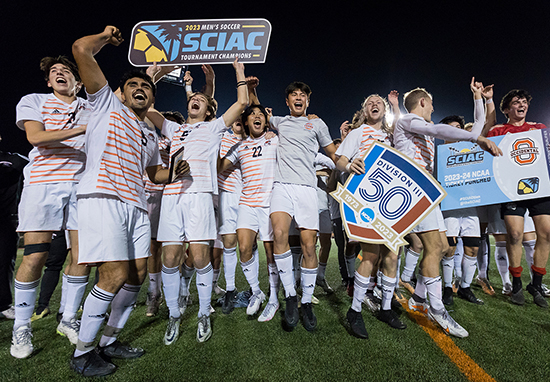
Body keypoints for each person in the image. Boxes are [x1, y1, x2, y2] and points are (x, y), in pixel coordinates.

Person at [69, 26, 188, 377]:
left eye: (147, 87)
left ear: (152, 99)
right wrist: (106, 35)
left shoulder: (149, 133)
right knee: (114, 274)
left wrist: (175, 172)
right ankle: (82, 352)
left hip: (135, 203)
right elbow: (80, 49)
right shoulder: (105, 103)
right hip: (103, 196)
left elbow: (153, 174)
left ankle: (109, 340)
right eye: (134, 85)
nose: (141, 89)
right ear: (120, 93)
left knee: (136, 275)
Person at [146, 58, 248, 345]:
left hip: (201, 196)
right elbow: (148, 108)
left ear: (208, 108)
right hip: (171, 198)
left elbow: (240, 104)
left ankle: (204, 312)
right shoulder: (172, 129)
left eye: (203, 100)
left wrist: (238, 71)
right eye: (195, 98)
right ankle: (174, 315)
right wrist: (153, 76)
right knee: (169, 259)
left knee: (201, 257)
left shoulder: (214, 128)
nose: (197, 101)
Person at [394, 78, 501, 338]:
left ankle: (419, 299)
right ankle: (437, 309)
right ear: (422, 102)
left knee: (443, 248)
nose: (432, 109)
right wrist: (478, 138)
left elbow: (473, 130)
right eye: (431, 104)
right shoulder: (406, 120)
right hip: (414, 190)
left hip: (427, 192)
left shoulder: (424, 126)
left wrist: (477, 97)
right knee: (433, 249)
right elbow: (450, 132)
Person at [11, 55, 92, 359]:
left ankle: (68, 320)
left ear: (78, 81)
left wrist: (155, 74)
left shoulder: (90, 106)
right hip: (44, 184)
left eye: (66, 71)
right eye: (54, 72)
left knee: (83, 256)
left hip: (82, 186)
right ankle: (21, 327)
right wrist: (81, 130)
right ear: (48, 82)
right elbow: (36, 137)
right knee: (35, 256)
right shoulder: (34, 100)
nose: (59, 74)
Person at [336, 92, 406, 338]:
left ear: (384, 110)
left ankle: (386, 308)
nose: (374, 105)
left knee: (391, 256)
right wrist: (348, 165)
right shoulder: (358, 133)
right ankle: (354, 310)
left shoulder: (390, 137)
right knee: (371, 255)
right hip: (366, 201)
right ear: (364, 111)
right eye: (369, 103)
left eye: (379, 102)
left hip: (390, 205)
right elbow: (340, 160)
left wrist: (397, 106)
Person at [269, 81, 336, 331]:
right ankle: (290, 296)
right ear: (287, 101)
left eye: (303, 95)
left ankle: (306, 302)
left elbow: (332, 153)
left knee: (309, 246)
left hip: (307, 189)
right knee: (279, 234)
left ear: (308, 101)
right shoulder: (279, 121)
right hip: (282, 185)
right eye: (293, 95)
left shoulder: (317, 124)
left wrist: (348, 164)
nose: (298, 98)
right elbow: (253, 112)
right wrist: (249, 85)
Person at [486, 89, 549, 308]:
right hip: (512, 189)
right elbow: (484, 147)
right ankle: (516, 283)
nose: (521, 105)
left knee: (547, 233)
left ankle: (537, 284)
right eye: (515, 102)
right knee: (514, 235)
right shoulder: (499, 130)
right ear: (506, 109)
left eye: (524, 102)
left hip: (539, 188)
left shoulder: (539, 129)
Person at [220, 104, 280, 321]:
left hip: (270, 202)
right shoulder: (240, 146)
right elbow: (219, 166)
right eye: (252, 115)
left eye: (261, 115)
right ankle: (257, 292)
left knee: (271, 253)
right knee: (244, 248)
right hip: (247, 202)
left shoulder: (274, 139)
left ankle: (274, 298)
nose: (257, 117)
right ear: (245, 122)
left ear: (265, 121)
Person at [0, 135, 28, 320]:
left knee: (5, 262)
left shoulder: (15, 159)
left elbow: (35, 161)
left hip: (6, 219)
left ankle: (3, 305)